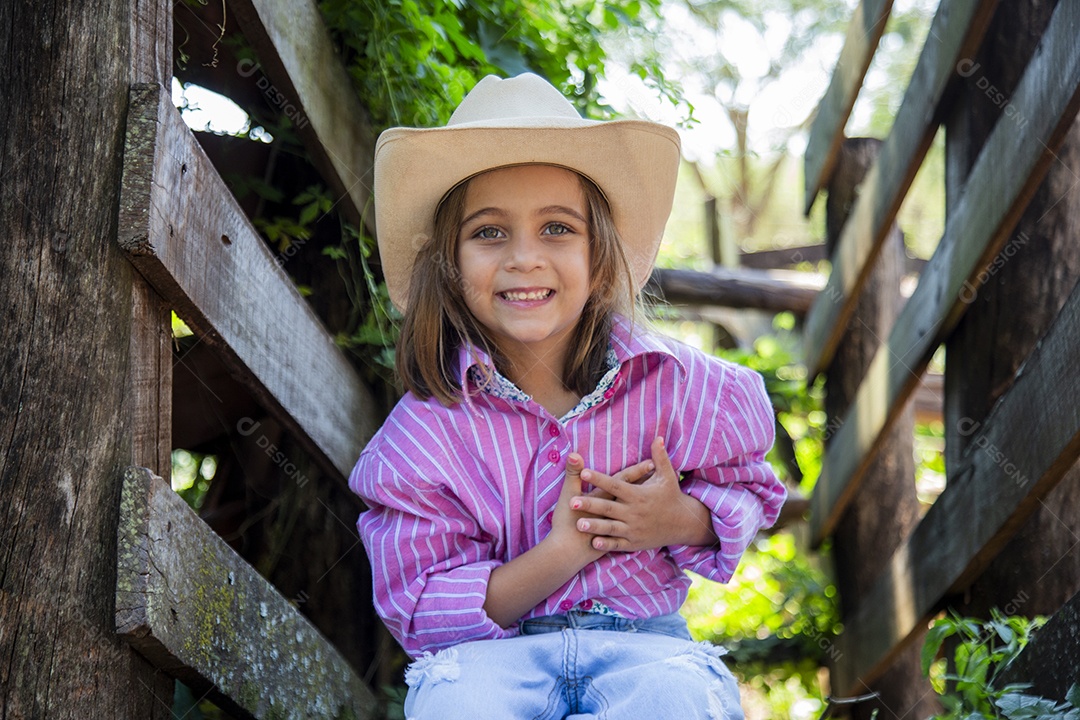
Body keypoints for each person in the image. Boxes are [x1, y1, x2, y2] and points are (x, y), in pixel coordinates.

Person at [349, 72, 787, 719]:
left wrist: (677, 520)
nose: (524, 258)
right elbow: (421, 609)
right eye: (489, 232)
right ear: (449, 262)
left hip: (645, 648)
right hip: (492, 658)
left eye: (556, 228)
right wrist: (560, 554)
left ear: (600, 259)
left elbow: (750, 487)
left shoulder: (679, 387)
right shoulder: (424, 436)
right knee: (456, 707)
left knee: (679, 703)